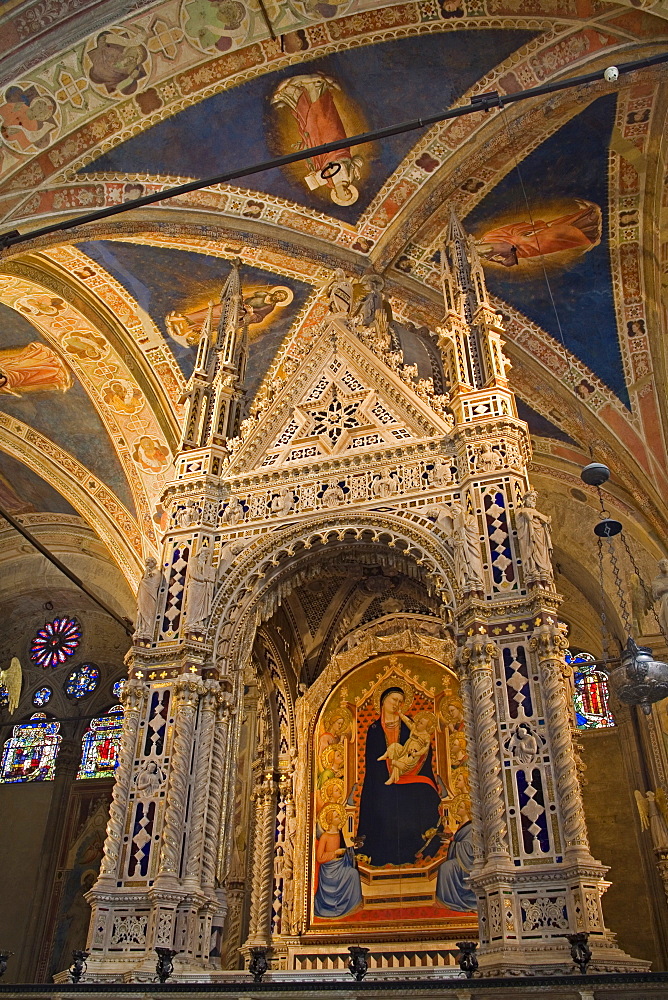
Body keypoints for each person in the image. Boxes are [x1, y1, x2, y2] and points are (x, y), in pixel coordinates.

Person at [356, 687, 441, 867]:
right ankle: (381, 857)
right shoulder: (374, 729)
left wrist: (410, 764)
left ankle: (415, 853)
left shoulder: (410, 723)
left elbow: (425, 750)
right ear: (383, 701)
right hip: (381, 781)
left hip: (409, 777)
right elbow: (372, 761)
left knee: (417, 800)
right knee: (382, 809)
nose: (397, 704)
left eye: (400, 701)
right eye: (393, 699)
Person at [314, 804, 362, 918]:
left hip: (340, 866)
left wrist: (352, 847)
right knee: (353, 873)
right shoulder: (325, 836)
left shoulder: (340, 833)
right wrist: (334, 853)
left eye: (340, 816)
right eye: (337, 816)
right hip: (329, 871)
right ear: (330, 819)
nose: (340, 818)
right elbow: (319, 858)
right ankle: (335, 906)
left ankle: (352, 904)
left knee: (354, 873)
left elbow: (345, 849)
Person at [377, 711, 436, 785]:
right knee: (395, 746)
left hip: (412, 754)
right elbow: (407, 721)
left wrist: (416, 753)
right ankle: (385, 756)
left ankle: (392, 778)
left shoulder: (426, 736)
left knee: (399, 761)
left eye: (421, 723)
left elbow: (425, 749)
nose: (418, 723)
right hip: (405, 749)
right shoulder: (414, 728)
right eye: (419, 721)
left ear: (426, 727)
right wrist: (400, 714)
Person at [435, 820, 476, 912]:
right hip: (462, 858)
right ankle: (446, 900)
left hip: (469, 862)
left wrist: (451, 844)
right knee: (445, 867)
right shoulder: (463, 825)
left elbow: (470, 847)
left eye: (461, 807)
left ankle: (449, 901)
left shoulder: (471, 826)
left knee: (445, 867)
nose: (457, 810)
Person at [516, 490, 553, 587]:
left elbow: (547, 521)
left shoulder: (535, 513)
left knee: (542, 553)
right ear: (524, 500)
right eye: (530, 498)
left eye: (534, 499)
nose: (533, 500)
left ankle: (543, 572)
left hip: (540, 538)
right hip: (529, 539)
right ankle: (533, 571)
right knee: (532, 551)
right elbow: (527, 516)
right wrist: (539, 517)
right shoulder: (521, 511)